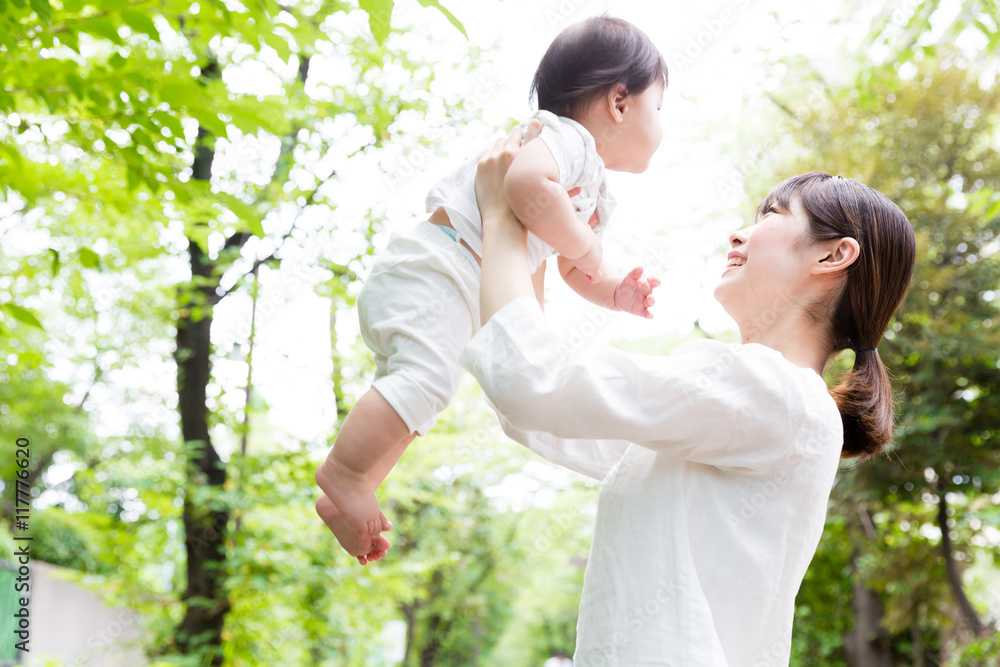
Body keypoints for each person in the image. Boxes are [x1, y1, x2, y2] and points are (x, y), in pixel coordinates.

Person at [459, 124, 916, 664]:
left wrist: (501, 217)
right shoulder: (755, 405)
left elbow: (531, 385)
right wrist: (532, 239)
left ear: (833, 256)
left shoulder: (777, 395)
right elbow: (539, 408)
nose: (738, 234)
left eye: (771, 215)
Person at [315, 16, 667, 563]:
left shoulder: (596, 190)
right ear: (619, 102)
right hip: (438, 266)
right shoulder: (566, 139)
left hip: (452, 285)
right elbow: (526, 186)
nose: (662, 123)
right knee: (426, 380)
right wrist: (590, 250)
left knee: (424, 395)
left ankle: (350, 491)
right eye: (659, 107)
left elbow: (573, 268)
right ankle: (344, 470)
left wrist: (615, 287)